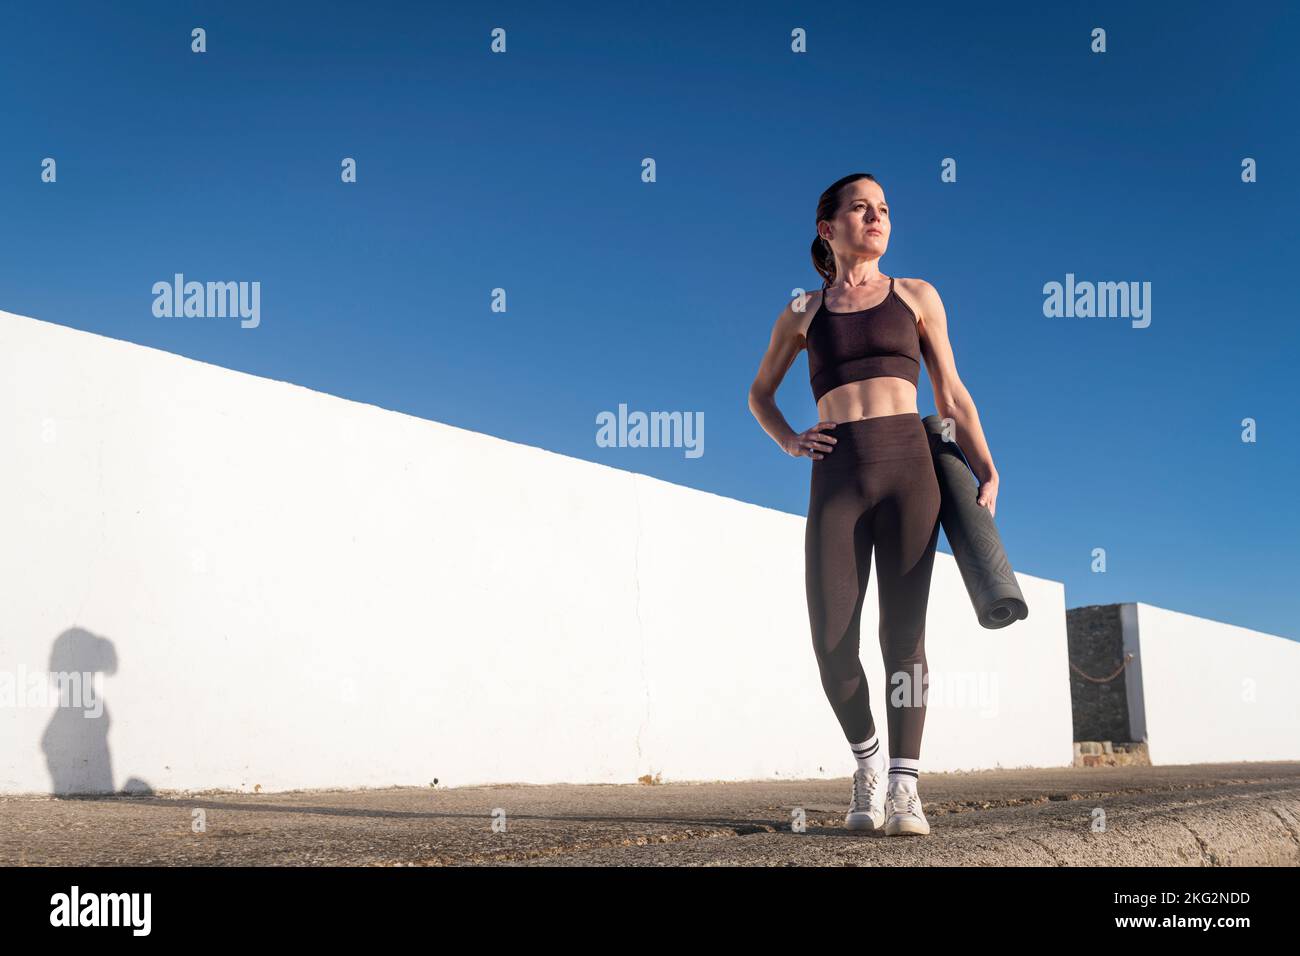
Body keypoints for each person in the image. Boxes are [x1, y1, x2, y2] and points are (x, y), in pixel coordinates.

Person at [747, 173, 999, 835]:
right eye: (861, 208)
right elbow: (760, 395)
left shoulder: (917, 296)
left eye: (884, 208)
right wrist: (788, 440)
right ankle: (865, 760)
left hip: (910, 472)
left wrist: (986, 467)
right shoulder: (802, 312)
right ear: (828, 228)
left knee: (903, 638)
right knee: (832, 641)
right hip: (837, 476)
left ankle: (904, 786)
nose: (877, 216)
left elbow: (952, 394)